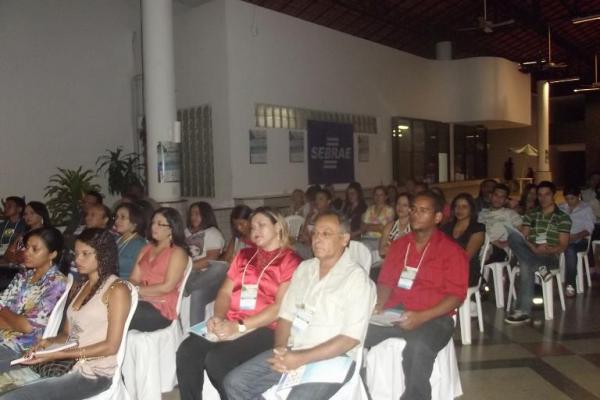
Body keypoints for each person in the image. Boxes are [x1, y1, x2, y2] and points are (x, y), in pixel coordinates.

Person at [224, 211, 376, 399]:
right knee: (235, 383)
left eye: (326, 234)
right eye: (315, 233)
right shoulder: (304, 269)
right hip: (292, 350)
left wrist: (301, 358)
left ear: (344, 239)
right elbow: (285, 316)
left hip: (332, 358)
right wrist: (281, 347)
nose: (317, 239)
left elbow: (349, 339)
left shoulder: (356, 279)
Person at [175, 207, 301, 400]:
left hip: (267, 327)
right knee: (187, 350)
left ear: (278, 227)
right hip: (233, 320)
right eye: (252, 227)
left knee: (218, 359)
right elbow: (225, 292)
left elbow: (279, 308)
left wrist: (239, 327)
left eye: (261, 225)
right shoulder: (244, 256)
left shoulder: (290, 260)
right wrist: (218, 317)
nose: (255, 231)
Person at [0, 228, 132, 400]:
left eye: (85, 254)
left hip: (93, 374)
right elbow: (66, 335)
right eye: (76, 253)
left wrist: (58, 354)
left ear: (103, 254)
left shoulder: (117, 289)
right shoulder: (82, 287)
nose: (78, 259)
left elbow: (111, 346)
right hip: (66, 363)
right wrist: (47, 343)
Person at [365, 190, 468, 400]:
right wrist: (380, 305)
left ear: (437, 217)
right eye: (413, 209)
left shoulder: (452, 251)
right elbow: (385, 282)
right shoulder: (399, 246)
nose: (415, 214)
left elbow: (456, 295)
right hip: (396, 311)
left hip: (435, 316)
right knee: (354, 331)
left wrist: (422, 317)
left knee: (418, 347)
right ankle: (358, 391)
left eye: (423, 210)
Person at [505, 181, 571, 324]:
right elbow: (523, 236)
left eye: (546, 194)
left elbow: (563, 245)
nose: (543, 198)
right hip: (531, 251)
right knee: (513, 237)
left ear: (553, 195)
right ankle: (538, 268)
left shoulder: (563, 218)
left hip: (549, 256)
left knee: (525, 265)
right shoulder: (532, 214)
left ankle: (522, 311)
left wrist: (549, 249)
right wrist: (533, 247)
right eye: (540, 195)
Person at [0, 227, 67, 358]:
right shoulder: (26, 274)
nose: (26, 252)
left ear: (52, 254)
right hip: (6, 330)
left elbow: (27, 327)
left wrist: (4, 310)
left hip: (23, 344)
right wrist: (13, 319)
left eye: (34, 249)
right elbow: (3, 302)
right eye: (26, 247)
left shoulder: (57, 283)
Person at [128, 207, 189, 332]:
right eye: (153, 223)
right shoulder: (146, 248)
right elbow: (133, 278)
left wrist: (138, 290)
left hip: (161, 306)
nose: (154, 227)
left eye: (160, 224)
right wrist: (136, 291)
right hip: (140, 299)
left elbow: (167, 287)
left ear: (171, 228)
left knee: (118, 313)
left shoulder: (177, 253)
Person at [184, 202, 227, 325]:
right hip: (189, 274)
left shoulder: (212, 232)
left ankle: (187, 287)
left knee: (220, 267)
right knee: (197, 292)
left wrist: (187, 266)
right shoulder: (185, 232)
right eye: (191, 214)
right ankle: (195, 335)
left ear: (206, 215)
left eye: (197, 214)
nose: (193, 217)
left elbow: (210, 260)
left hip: (207, 276)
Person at [441, 193, 486, 287]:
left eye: (464, 207)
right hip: (445, 268)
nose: (459, 209)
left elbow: (466, 257)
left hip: (466, 270)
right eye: (457, 206)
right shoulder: (446, 228)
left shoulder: (477, 228)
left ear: (471, 209)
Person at [559, 186, 595, 297]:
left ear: (578, 196)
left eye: (572, 198)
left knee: (570, 249)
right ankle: (540, 281)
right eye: (567, 198)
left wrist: (575, 236)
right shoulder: (561, 207)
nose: (569, 201)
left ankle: (570, 284)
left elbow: (589, 229)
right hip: (562, 238)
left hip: (580, 240)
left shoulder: (586, 209)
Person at [478, 183, 523, 263]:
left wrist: (508, 242)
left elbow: (522, 232)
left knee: (488, 249)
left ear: (506, 200)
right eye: (496, 195)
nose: (498, 199)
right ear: (490, 196)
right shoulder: (481, 214)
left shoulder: (510, 214)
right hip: (480, 244)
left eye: (502, 197)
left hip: (499, 248)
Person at [113, 203, 147, 279]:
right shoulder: (115, 240)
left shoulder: (139, 245)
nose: (117, 221)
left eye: (123, 217)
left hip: (127, 286)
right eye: (116, 217)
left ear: (135, 222)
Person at [380, 192, 412, 258]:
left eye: (405, 205)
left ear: (411, 208)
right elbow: (381, 252)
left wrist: (391, 248)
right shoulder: (389, 226)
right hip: (390, 261)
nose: (400, 207)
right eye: (398, 204)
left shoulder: (415, 227)